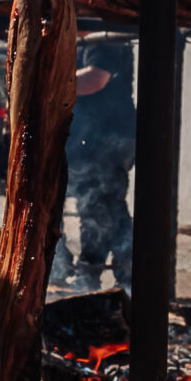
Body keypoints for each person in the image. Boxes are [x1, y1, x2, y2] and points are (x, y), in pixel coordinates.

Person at [66, 41, 135, 287]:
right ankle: (121, 275)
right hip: (96, 138)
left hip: (108, 139)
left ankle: (93, 273)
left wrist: (47, 81)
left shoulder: (103, 37)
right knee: (101, 203)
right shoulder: (86, 39)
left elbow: (95, 79)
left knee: (99, 203)